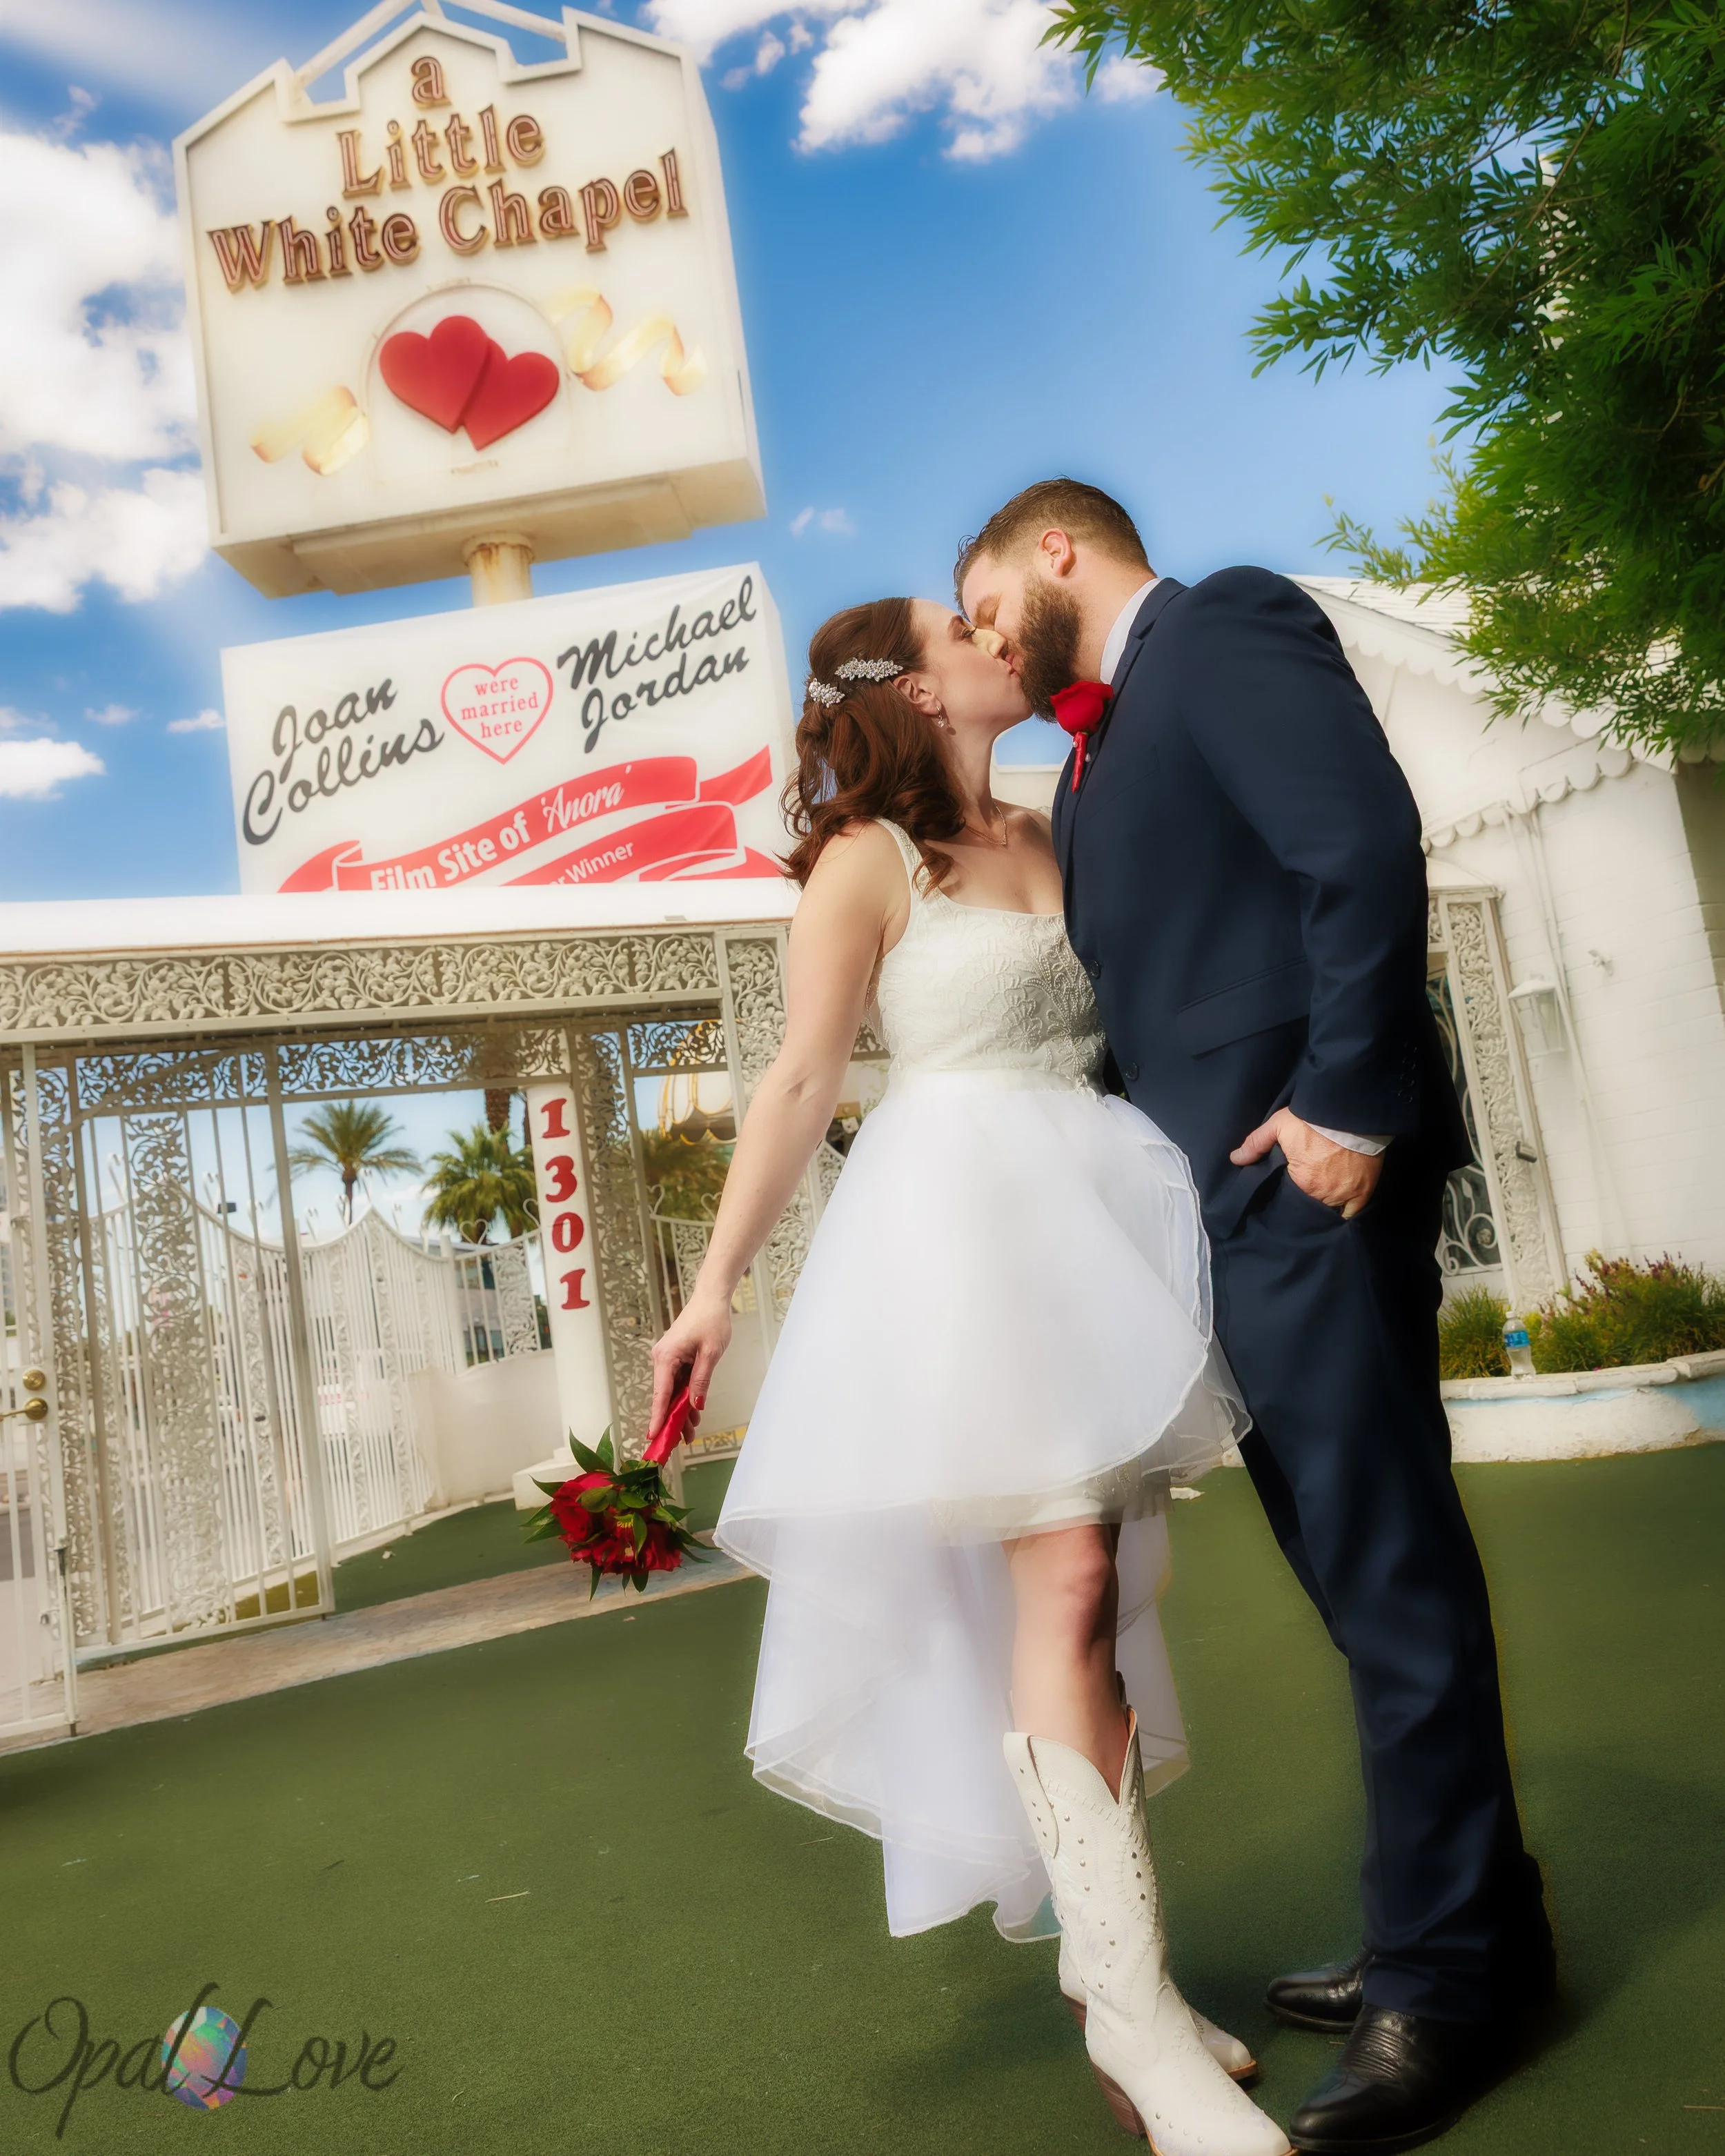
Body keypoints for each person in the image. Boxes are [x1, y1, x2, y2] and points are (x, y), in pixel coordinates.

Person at [956, 479, 1557, 2155]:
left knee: (1387, 1568)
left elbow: (1353, 844)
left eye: (987, 592)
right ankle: (1475, 1913)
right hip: (1220, 1210)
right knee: (1354, 1576)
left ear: (1057, 547)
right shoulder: (1092, 753)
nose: (992, 632)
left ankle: (1450, 1985)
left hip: (1305, 1180)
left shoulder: (1216, 621)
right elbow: (1152, 997)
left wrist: (1346, 1108)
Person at [649, 594, 1291, 2155]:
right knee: (1066, 1576)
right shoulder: (865, 859)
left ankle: (1115, 1976)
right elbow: (802, 1074)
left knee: (1098, 1589)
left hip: (1101, 1220)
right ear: (908, 684)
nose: (996, 629)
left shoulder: (1057, 821)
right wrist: (714, 1284)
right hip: (960, 1241)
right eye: (958, 622)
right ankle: (1141, 2037)